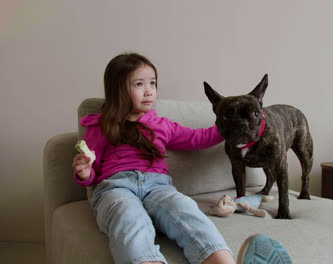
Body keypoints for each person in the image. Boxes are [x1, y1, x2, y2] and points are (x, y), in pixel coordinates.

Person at [72, 52, 293, 264]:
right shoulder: (100, 126)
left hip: (158, 187)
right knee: (128, 219)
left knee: (186, 211)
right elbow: (93, 171)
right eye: (139, 84)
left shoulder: (163, 125)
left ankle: (222, 261)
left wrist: (236, 126)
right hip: (115, 187)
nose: (149, 91)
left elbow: (199, 138)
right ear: (117, 90)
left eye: (153, 83)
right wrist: (84, 172)